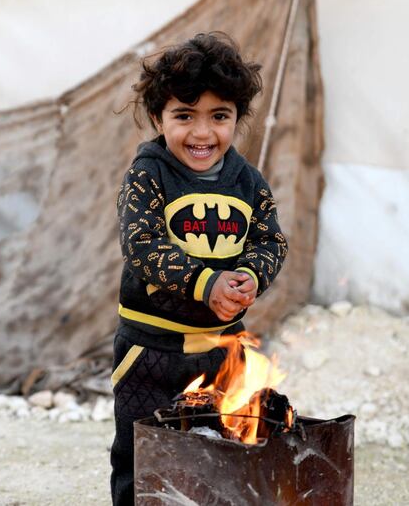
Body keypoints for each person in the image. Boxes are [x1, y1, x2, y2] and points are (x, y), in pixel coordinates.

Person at [110, 31, 288, 505]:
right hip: (150, 351)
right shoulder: (148, 175)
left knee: (221, 460)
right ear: (158, 117)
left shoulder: (249, 183)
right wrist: (204, 281)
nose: (203, 133)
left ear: (237, 118)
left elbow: (269, 239)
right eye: (184, 116)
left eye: (219, 116)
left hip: (223, 350)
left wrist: (250, 275)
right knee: (141, 458)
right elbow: (141, 243)